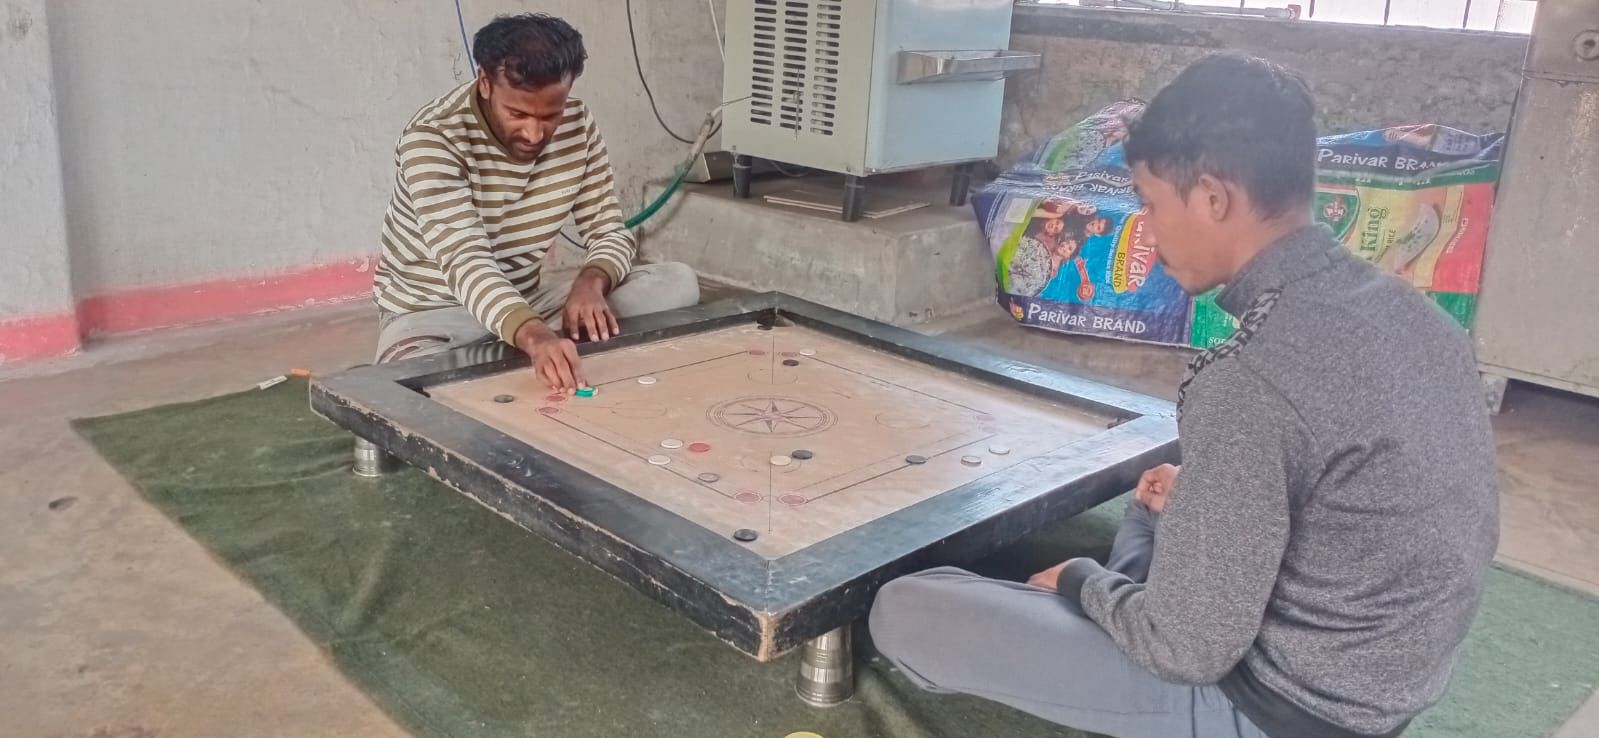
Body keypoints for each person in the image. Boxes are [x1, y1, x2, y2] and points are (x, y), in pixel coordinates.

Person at [868, 53, 1498, 738]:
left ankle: (1115, 606)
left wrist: (1080, 580)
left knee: (907, 609)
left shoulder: (1251, 377)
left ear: (1211, 198)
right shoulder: (1414, 316)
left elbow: (1187, 653)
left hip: (1281, 707)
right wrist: (1201, 498)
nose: (1145, 227)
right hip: (1384, 677)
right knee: (1154, 501)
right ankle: (1136, 596)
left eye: (1148, 203)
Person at [369, 13, 699, 389]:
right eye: (517, 114)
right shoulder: (432, 139)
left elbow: (609, 230)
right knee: (406, 373)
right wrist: (535, 335)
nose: (534, 133)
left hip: (530, 301)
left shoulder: (577, 125)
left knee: (677, 282)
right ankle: (529, 345)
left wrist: (591, 283)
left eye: (550, 115)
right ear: (485, 82)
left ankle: (508, 354)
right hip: (434, 315)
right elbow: (467, 261)